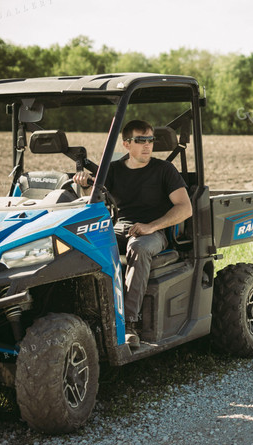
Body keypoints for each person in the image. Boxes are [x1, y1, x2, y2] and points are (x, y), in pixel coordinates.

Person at [74, 120, 192, 348]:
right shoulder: (114, 170)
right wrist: (86, 186)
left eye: (150, 140)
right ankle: (85, 314)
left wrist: (152, 226)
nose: (148, 145)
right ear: (127, 144)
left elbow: (185, 208)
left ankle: (129, 324)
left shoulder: (164, 170)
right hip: (119, 229)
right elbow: (93, 199)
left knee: (137, 247)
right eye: (141, 140)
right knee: (83, 242)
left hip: (153, 233)